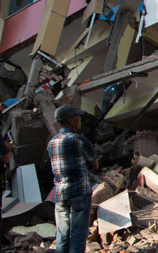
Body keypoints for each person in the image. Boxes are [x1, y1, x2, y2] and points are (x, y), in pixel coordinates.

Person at [48, 105, 100, 253]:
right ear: (71, 120)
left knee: (63, 234)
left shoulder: (52, 143)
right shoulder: (79, 139)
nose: (80, 120)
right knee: (78, 234)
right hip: (79, 191)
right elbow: (94, 164)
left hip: (60, 193)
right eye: (78, 117)